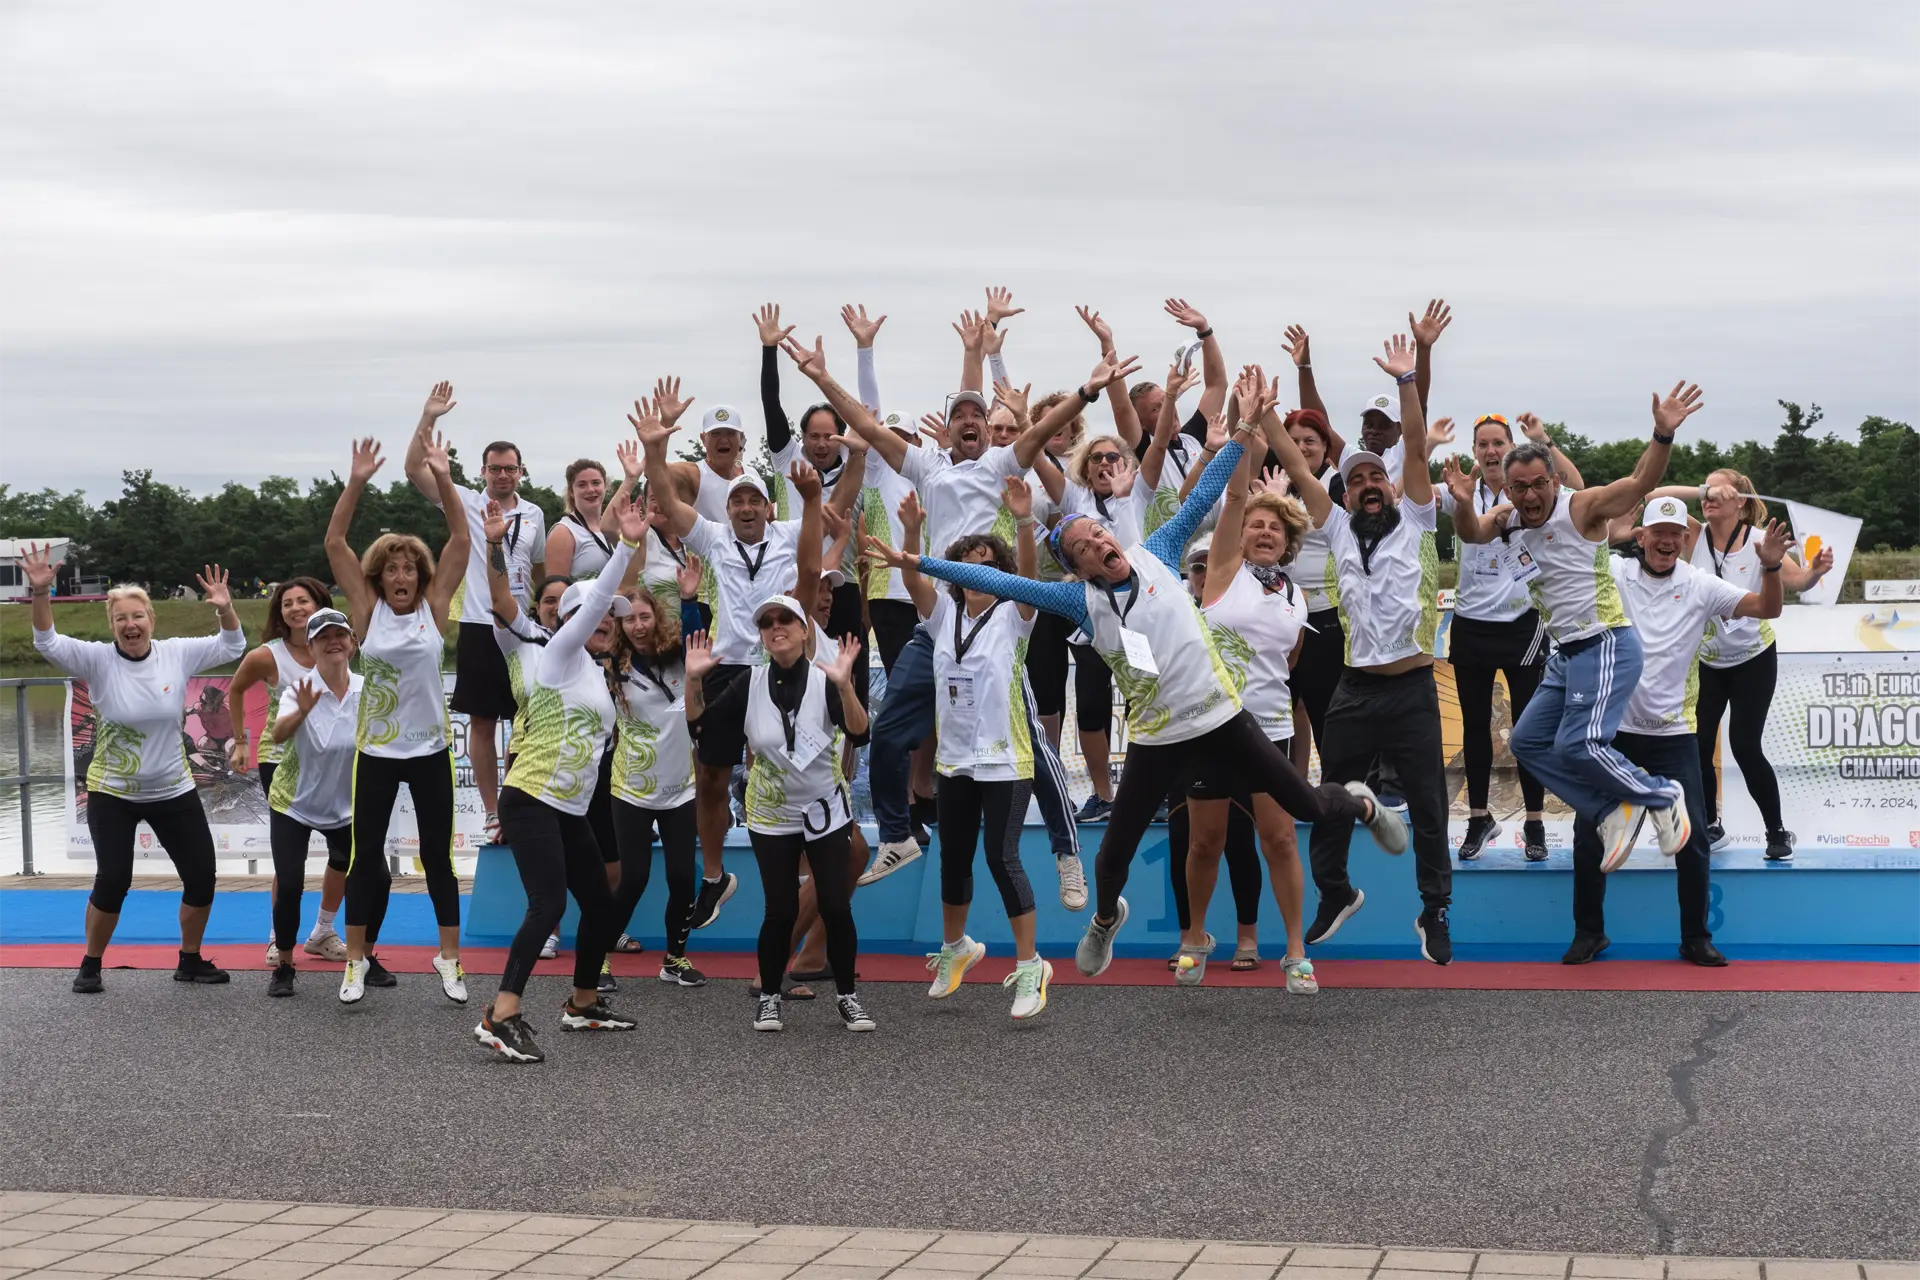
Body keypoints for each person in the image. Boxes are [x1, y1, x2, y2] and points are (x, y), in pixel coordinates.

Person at [871, 381, 1399, 979]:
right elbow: (1000, 584)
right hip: (1157, 736)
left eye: (1098, 534)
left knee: (1307, 803)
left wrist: (1248, 427)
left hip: (1223, 718)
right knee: (1113, 858)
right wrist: (915, 562)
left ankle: (1360, 804)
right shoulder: (1078, 604)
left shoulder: (1157, 551)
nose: (1099, 541)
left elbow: (1201, 496)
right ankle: (1103, 921)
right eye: (1084, 546)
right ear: (1077, 568)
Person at [782, 324, 1104, 907]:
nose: (970, 419)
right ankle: (899, 834)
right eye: (960, 413)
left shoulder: (1004, 458)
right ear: (948, 426)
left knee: (1032, 739)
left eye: (977, 412)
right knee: (885, 732)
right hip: (940, 621)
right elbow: (871, 427)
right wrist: (817, 375)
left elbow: (1044, 429)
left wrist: (1086, 391)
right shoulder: (927, 468)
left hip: (997, 616)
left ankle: (1066, 852)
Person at [1447, 382, 1710, 879]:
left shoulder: (1580, 508)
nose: (1529, 495)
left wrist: (1661, 434)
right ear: (1506, 489)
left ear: (1552, 480)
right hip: (1566, 653)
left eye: (1537, 484)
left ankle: (1658, 793)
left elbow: (1636, 484)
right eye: (1518, 487)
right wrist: (1463, 502)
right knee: (1527, 742)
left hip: (1605, 639)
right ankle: (1612, 809)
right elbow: (1470, 533)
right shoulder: (1506, 520)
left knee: (1578, 744)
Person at [635, 387, 863, 936]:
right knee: (711, 775)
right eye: (735, 500)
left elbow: (833, 520)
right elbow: (664, 497)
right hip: (728, 669)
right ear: (728, 507)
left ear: (766, 506)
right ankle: (713, 875)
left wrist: (848, 463)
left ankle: (804, 864)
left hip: (781, 666)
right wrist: (654, 449)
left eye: (752, 500)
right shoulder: (711, 536)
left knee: (787, 769)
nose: (742, 508)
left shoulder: (787, 532)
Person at [1255, 344, 1455, 963]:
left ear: (1391, 487)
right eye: (1358, 479)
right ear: (1347, 490)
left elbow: (1416, 446)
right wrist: (1263, 416)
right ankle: (1336, 892)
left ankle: (1435, 909)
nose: (1368, 485)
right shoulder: (1335, 523)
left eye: (1376, 477)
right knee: (1330, 796)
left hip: (1413, 688)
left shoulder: (1418, 517)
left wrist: (1407, 379)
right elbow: (1294, 458)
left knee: (1427, 806)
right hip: (1354, 688)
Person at [1563, 499, 1791, 966]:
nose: (1667, 541)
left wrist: (1769, 567)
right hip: (1614, 732)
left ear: (1686, 542)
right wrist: (1612, 526)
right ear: (1641, 537)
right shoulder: (1616, 573)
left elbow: (1767, 608)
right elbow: (1575, 550)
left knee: (1693, 839)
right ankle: (1589, 932)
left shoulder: (1702, 585)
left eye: (1675, 534)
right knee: (1589, 834)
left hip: (1673, 735)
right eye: (1657, 532)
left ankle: (1695, 938)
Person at [466, 490, 649, 1063]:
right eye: (598, 617)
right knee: (547, 906)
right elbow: (517, 601)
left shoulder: (595, 675)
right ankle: (501, 1013)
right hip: (531, 798)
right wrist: (625, 544)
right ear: (570, 618)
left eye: (611, 623)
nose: (607, 625)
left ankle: (582, 1002)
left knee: (598, 904)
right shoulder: (555, 652)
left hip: (568, 810)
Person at [25, 545, 244, 993]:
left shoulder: (176, 654)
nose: (130, 624)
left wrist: (225, 610)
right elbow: (46, 642)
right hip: (113, 791)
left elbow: (234, 645)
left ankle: (190, 959)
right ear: (112, 626)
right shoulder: (97, 660)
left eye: (137, 616)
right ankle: (90, 964)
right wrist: (42, 592)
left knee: (202, 875)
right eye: (121, 618)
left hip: (172, 788)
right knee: (114, 879)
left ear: (151, 620)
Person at [876, 474, 1055, 1019]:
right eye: (967, 563)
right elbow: (914, 583)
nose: (977, 571)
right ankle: (957, 949)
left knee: (1001, 859)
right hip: (954, 760)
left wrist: (1024, 520)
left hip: (1004, 759)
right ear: (955, 574)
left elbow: (1028, 576)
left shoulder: (1014, 614)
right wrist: (910, 531)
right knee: (953, 858)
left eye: (988, 564)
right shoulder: (942, 615)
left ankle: (1031, 967)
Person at [326, 409, 471, 1006]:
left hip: (430, 752)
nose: (402, 575)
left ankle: (450, 959)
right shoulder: (366, 613)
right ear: (380, 580)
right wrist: (356, 481)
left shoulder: (436, 607)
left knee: (439, 857)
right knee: (365, 859)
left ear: (421, 576)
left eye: (410, 567)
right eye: (392, 569)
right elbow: (335, 542)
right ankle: (354, 960)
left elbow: (461, 539)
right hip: (378, 754)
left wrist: (443, 479)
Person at [686, 601, 873, 1034]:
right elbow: (702, 729)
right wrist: (694, 682)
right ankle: (769, 997)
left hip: (824, 808)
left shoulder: (828, 678)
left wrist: (846, 688)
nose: (776, 628)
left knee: (834, 905)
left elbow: (860, 733)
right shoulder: (748, 683)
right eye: (766, 623)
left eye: (785, 620)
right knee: (780, 909)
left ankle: (847, 998)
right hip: (771, 812)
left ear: (804, 630)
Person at [1178, 444, 1319, 992]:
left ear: (1287, 543)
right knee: (1205, 842)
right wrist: (1244, 435)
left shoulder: (1296, 594)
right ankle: (1194, 937)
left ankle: (1294, 951)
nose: (1263, 532)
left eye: (1274, 528)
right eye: (1254, 526)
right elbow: (1235, 494)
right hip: (1212, 728)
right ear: (1236, 536)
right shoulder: (1221, 572)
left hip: (1270, 730)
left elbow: (1288, 663)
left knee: (1280, 840)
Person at [1643, 469, 1831, 859]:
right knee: (1696, 745)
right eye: (1706, 490)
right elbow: (1650, 494)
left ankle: (1777, 832)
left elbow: (1799, 584)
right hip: (1707, 662)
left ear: (1741, 501)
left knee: (1744, 745)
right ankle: (1712, 825)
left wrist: (1815, 571)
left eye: (1719, 490)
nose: (1709, 497)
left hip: (1752, 660)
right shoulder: (1692, 534)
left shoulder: (1762, 541)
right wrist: (1702, 488)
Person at [405, 394, 545, 847]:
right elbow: (413, 470)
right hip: (480, 626)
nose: (502, 475)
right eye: (494, 468)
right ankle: (491, 812)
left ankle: (521, 805)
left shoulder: (535, 513)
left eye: (510, 469)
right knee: (483, 724)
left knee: (528, 721)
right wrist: (428, 417)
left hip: (524, 629)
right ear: (482, 472)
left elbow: (539, 569)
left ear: (520, 472)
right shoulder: (462, 500)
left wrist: (544, 616)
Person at [1443, 414, 1583, 862]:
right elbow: (1460, 524)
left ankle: (1535, 822)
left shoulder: (1530, 494)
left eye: (1498, 443)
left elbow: (1575, 485)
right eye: (1481, 444)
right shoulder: (1462, 490)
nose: (1490, 451)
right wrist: (1462, 499)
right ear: (1473, 450)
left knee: (1527, 730)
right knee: (1474, 728)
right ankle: (1479, 817)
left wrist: (1542, 438)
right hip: (1469, 624)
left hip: (1523, 624)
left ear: (1510, 447)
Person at [227, 576, 349, 965]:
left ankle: (323, 931)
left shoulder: (336, 645)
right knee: (289, 858)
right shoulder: (268, 655)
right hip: (280, 758)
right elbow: (235, 689)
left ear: (320, 606)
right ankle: (278, 937)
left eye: (303, 601)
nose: (295, 609)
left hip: (331, 760)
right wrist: (241, 741)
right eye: (287, 603)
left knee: (343, 852)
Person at [1167, 544, 1266, 972]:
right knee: (1184, 843)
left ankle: (1248, 938)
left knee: (1240, 841)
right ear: (1189, 576)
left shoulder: (1242, 611)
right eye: (1197, 568)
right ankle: (1190, 936)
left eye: (1213, 565)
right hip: (1182, 740)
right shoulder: (1170, 613)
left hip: (1236, 737)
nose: (1205, 574)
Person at [262, 609, 362, 997]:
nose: (333, 641)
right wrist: (302, 711)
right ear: (312, 646)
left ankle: (361, 957)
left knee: (374, 879)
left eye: (340, 635)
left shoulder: (366, 689)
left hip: (344, 806)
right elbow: (279, 733)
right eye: (324, 637)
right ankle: (284, 964)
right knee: (289, 884)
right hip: (294, 802)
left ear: (352, 642)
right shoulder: (298, 688)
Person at [544, 458, 615, 580]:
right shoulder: (563, 533)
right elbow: (556, 591)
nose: (591, 490)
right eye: (582, 485)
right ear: (571, 491)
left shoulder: (613, 528)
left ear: (605, 486)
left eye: (596, 483)